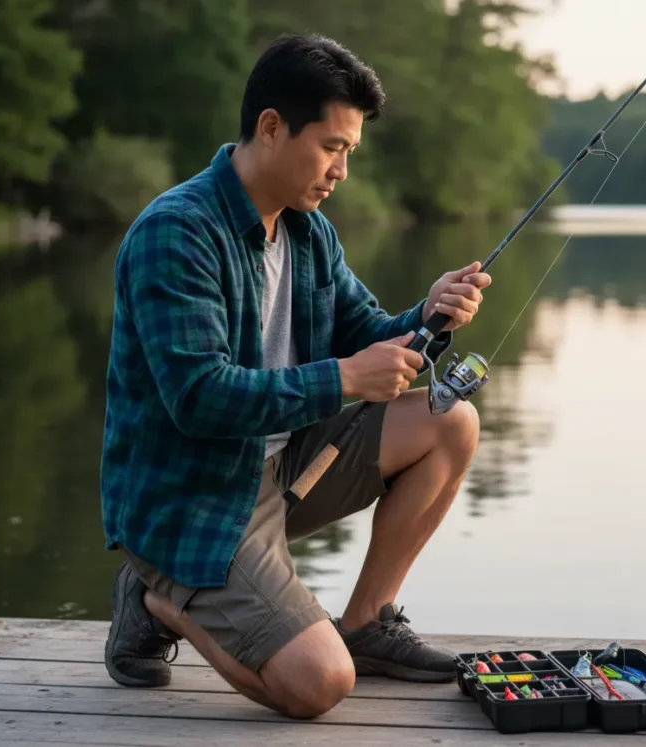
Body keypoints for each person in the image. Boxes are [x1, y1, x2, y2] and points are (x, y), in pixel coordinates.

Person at [100, 33, 491, 719]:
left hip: (286, 467)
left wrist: (429, 315)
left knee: (448, 420)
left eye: (350, 152)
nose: (342, 170)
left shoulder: (311, 232)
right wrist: (344, 378)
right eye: (332, 147)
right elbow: (198, 397)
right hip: (192, 500)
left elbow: (369, 334)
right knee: (319, 684)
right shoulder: (177, 234)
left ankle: (368, 622)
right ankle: (154, 594)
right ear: (272, 128)